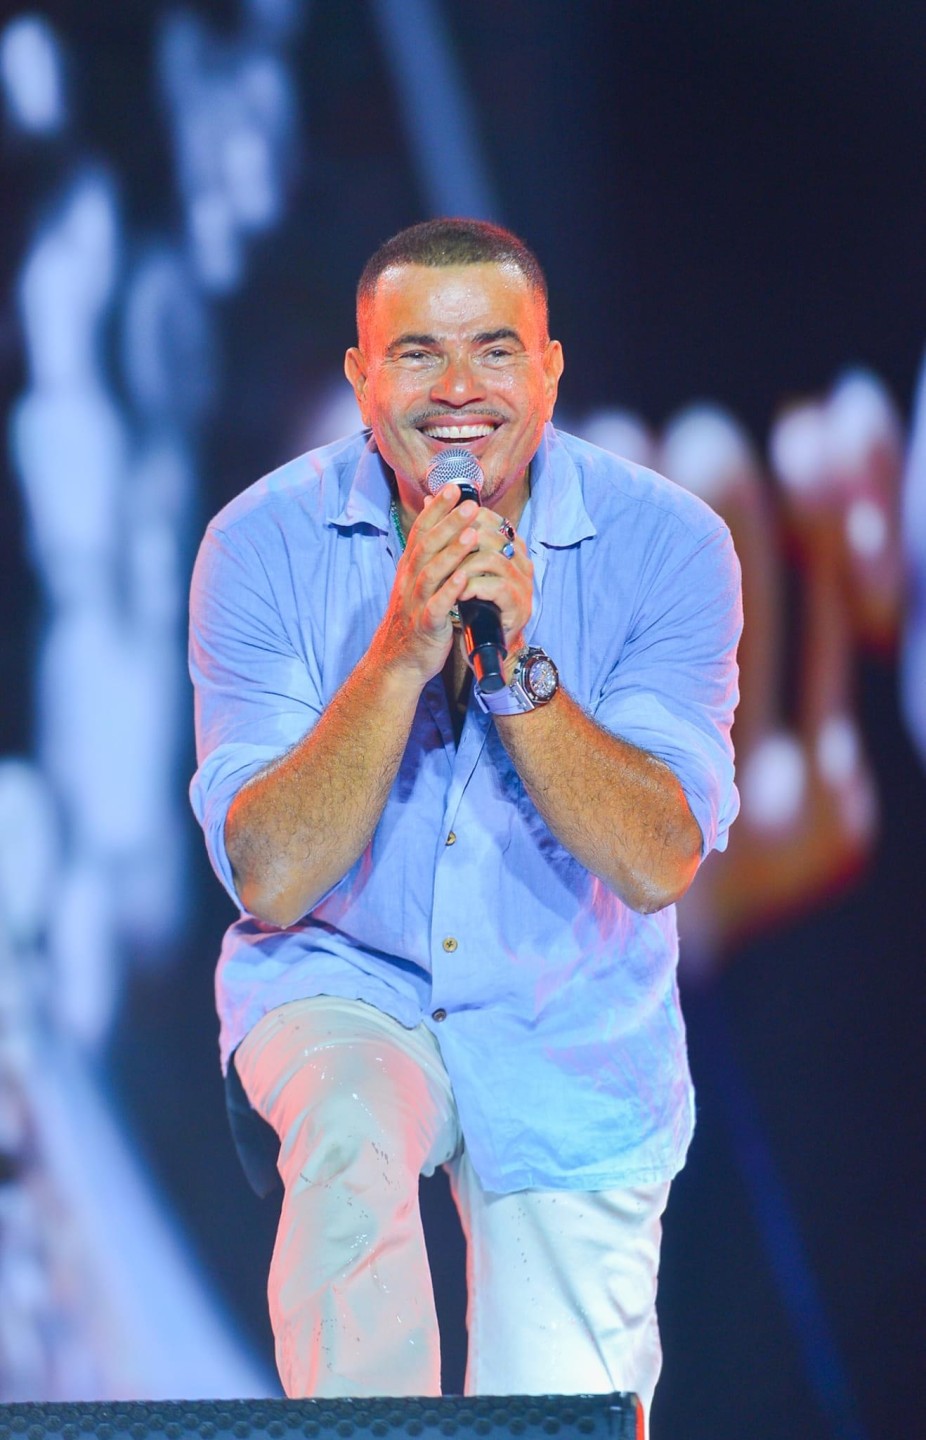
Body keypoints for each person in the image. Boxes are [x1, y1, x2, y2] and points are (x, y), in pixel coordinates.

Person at [188, 218, 742, 1429]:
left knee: (559, 1407)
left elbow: (657, 859)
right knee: (348, 1134)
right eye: (415, 354)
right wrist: (398, 653)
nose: (456, 391)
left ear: (548, 369)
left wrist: (516, 672)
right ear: (359, 378)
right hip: (345, 975)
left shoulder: (670, 544)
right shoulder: (258, 544)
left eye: (492, 351)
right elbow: (271, 876)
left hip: (565, 1007)